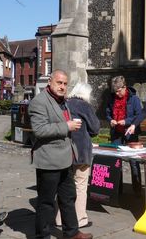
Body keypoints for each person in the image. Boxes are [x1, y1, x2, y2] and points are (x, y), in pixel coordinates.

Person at [28, 69, 92, 239]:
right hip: (49, 160)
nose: (62, 86)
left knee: (68, 198)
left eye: (65, 83)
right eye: (59, 82)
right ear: (50, 81)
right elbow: (39, 130)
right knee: (46, 202)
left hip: (66, 159)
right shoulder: (39, 102)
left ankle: (72, 232)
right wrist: (67, 126)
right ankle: (42, 236)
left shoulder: (63, 102)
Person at [56, 82, 100, 229]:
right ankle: (80, 219)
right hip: (81, 152)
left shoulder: (64, 103)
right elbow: (95, 128)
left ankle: (60, 219)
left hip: (64, 151)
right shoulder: (84, 105)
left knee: (63, 185)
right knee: (80, 185)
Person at [105, 76, 143, 193]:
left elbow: (139, 115)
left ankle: (137, 190)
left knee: (133, 162)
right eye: (115, 91)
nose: (117, 93)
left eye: (119, 90)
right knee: (116, 162)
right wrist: (110, 119)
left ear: (124, 87)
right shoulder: (111, 98)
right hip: (116, 133)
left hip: (130, 133)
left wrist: (126, 121)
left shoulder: (134, 99)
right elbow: (107, 112)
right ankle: (117, 190)